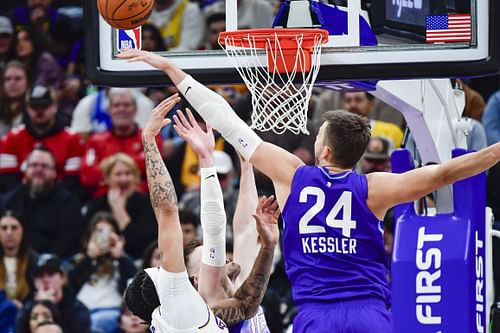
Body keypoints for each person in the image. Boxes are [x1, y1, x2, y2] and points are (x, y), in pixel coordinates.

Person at [118, 49, 500, 333]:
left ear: (326, 150)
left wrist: (172, 69)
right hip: (368, 311)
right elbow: (445, 173)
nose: (314, 138)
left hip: (317, 313)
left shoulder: (294, 175)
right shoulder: (375, 189)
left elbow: (225, 119)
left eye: (318, 135)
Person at [124, 94, 280, 331]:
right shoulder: (192, 307)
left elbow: (246, 230)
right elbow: (200, 223)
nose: (221, 258)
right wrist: (205, 160)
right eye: (209, 257)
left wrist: (247, 167)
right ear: (195, 281)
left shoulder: (229, 304)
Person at [0, 84, 83, 194]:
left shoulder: (73, 139)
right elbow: (7, 181)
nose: (39, 111)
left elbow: (72, 182)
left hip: (59, 201)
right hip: (20, 201)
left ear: (55, 106)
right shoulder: (10, 139)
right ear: (27, 108)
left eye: (45, 106)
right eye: (35, 106)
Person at [1, 146, 83, 258]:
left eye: (45, 166)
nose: (38, 170)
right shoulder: (9, 200)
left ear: (55, 173)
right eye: (34, 165)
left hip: (52, 265)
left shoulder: (68, 203)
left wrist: (41, 263)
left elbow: (68, 242)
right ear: (26, 170)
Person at [80, 89, 162, 195]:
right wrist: (135, 167)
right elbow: (88, 176)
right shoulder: (95, 141)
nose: (121, 109)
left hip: (143, 199)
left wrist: (108, 166)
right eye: (116, 105)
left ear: (135, 109)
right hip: (104, 200)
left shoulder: (150, 137)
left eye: (127, 105)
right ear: (109, 110)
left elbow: (156, 171)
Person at [68, 212, 136, 333]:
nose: (105, 236)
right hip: (83, 311)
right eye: (99, 231)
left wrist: (119, 257)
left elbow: (130, 289)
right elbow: (70, 285)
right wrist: (89, 258)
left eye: (110, 231)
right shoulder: (80, 260)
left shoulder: (124, 261)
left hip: (112, 311)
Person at [82, 153, 157, 259]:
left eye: (128, 173)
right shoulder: (96, 205)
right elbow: (86, 239)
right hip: (100, 258)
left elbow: (144, 243)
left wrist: (119, 211)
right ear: (107, 178)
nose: (124, 179)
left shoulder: (146, 203)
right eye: (118, 174)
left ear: (135, 177)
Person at [18, 254, 90, 333]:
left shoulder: (77, 309)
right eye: (40, 275)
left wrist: (51, 307)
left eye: (50, 274)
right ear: (34, 282)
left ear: (63, 278)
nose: (45, 280)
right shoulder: (29, 308)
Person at [0, 210, 38, 309]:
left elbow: (36, 294)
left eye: (14, 228)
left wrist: (25, 307)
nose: (9, 233)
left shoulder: (34, 260)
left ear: (23, 231)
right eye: (4, 228)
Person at [0, 60, 29, 137]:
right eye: (7, 79)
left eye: (18, 79)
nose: (12, 83)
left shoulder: (34, 109)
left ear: (27, 82)